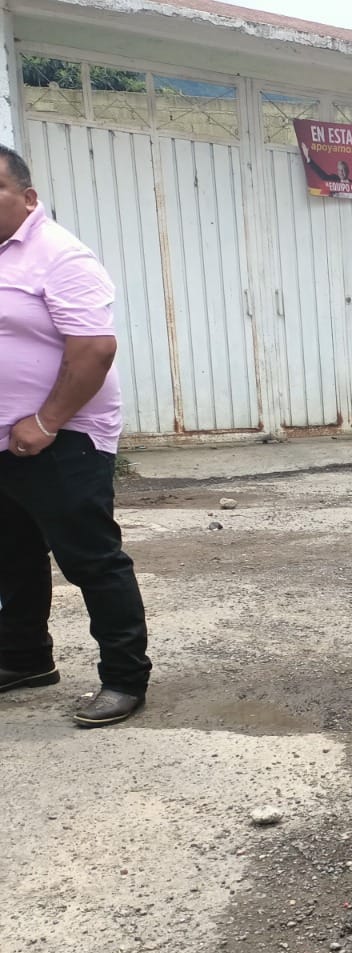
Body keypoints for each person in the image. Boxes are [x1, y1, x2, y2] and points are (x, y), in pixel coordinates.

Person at [0, 144, 151, 728]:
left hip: (63, 436)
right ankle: (25, 658)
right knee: (12, 556)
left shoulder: (59, 255)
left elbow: (94, 347)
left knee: (89, 558)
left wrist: (46, 422)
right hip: (6, 441)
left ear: (28, 198)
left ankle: (124, 678)